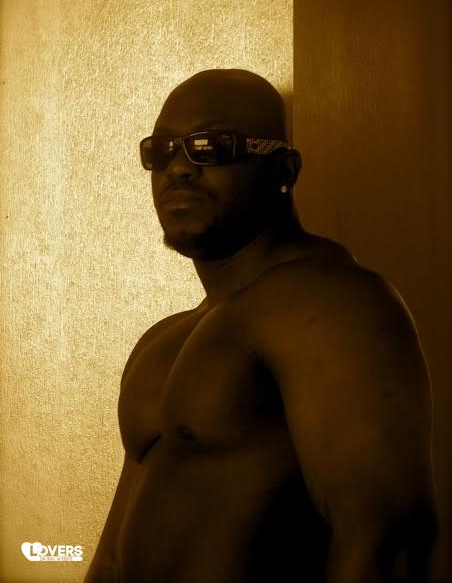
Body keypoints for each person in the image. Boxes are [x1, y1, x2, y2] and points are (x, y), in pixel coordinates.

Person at [84, 69, 438, 583]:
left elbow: (388, 542)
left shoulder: (329, 301)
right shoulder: (163, 340)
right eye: (161, 151)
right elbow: (112, 559)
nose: (179, 168)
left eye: (211, 147)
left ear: (284, 169)